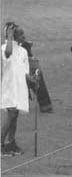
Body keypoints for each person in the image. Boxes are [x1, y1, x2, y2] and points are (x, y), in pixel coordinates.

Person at [1, 24, 37, 156]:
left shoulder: (23, 51)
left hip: (20, 86)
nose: (24, 37)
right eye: (21, 34)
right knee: (11, 114)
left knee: (15, 115)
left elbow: (25, 72)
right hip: (9, 87)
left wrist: (32, 80)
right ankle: (0, 145)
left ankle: (11, 143)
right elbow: (8, 53)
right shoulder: (4, 48)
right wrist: (9, 37)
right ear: (13, 35)